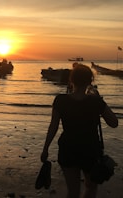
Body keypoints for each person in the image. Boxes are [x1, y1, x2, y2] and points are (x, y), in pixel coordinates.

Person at [40, 64, 118, 198]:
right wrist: (98, 99)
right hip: (90, 151)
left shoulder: (60, 100)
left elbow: (53, 127)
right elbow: (114, 123)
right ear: (90, 81)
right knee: (91, 188)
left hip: (68, 149)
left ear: (71, 80)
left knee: (73, 192)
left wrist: (45, 149)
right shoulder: (96, 101)